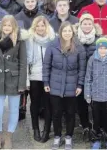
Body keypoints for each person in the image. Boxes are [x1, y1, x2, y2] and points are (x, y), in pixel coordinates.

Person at [0, 15, 28, 149]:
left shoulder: (20, 41)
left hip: (14, 80)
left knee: (14, 110)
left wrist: (22, 84)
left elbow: (23, 63)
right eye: (5, 25)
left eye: (10, 25)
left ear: (14, 26)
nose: (7, 28)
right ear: (1, 26)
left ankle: (9, 135)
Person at [43, 22, 86, 150]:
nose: (67, 33)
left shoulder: (79, 47)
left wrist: (80, 84)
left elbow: (82, 68)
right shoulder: (52, 46)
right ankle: (57, 136)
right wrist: (46, 82)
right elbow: (46, 66)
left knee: (70, 113)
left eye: (69, 31)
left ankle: (68, 137)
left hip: (72, 87)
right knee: (56, 113)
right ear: (60, 32)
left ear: (73, 33)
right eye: (64, 31)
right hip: (54, 85)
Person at [73, 12, 103, 141]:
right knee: (81, 104)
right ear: (80, 24)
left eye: (89, 23)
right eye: (84, 23)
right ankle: (85, 126)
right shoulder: (74, 39)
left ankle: (96, 127)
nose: (87, 26)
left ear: (93, 25)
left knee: (95, 104)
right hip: (79, 77)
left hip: (94, 77)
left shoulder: (98, 39)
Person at [26, 16, 56, 143]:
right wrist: (27, 80)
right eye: (37, 26)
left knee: (48, 104)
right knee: (35, 104)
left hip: (49, 77)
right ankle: (36, 129)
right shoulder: (29, 40)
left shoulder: (53, 40)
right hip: (34, 77)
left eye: (42, 25)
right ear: (34, 27)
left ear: (46, 26)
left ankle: (46, 130)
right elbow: (26, 61)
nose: (40, 28)